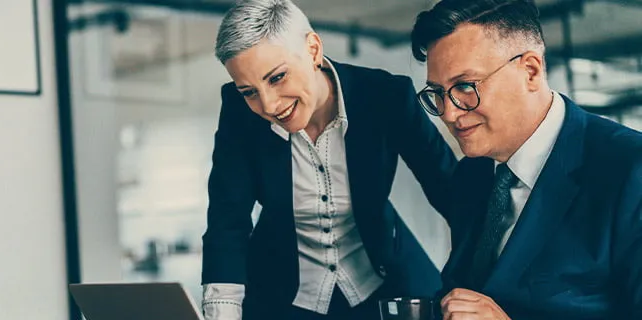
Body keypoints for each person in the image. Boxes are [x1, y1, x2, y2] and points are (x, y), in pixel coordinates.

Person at [200, 0, 458, 319]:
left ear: (312, 49)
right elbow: (228, 218)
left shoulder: (385, 95)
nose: (268, 105)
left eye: (277, 77)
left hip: (386, 287)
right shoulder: (240, 114)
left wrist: (476, 282)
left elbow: (453, 192)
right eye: (249, 91)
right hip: (283, 296)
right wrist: (222, 310)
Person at [410, 0, 642, 319]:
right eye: (437, 92)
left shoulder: (630, 169)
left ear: (530, 70)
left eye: (465, 86)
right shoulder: (471, 176)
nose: (449, 113)